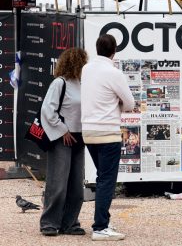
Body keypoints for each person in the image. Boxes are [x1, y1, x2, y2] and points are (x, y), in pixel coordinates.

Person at [81, 34, 134, 241]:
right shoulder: (114, 73)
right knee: (106, 181)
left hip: (88, 131)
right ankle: (100, 227)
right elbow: (129, 103)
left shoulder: (86, 69)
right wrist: (119, 105)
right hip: (108, 132)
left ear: (96, 48)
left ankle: (103, 220)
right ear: (114, 51)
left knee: (102, 178)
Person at [40, 48, 88, 236]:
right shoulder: (59, 84)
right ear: (77, 62)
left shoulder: (82, 84)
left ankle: (70, 223)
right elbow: (48, 110)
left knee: (76, 185)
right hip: (62, 139)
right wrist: (63, 130)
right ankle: (49, 223)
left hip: (80, 137)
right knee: (57, 183)